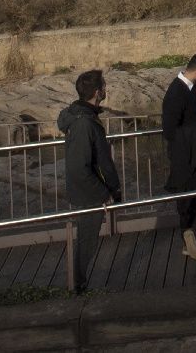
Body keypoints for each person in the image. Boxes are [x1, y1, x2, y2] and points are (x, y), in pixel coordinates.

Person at [58, 69, 121, 293]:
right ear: (97, 92)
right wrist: (104, 193)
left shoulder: (84, 117)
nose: (106, 89)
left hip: (91, 190)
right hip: (90, 193)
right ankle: (78, 287)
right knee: (87, 240)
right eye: (104, 86)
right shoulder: (84, 123)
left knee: (87, 239)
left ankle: (78, 284)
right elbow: (79, 168)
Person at [161, 51, 196, 260]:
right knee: (188, 197)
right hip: (185, 157)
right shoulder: (176, 93)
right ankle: (189, 234)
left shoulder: (190, 88)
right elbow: (170, 130)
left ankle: (191, 234)